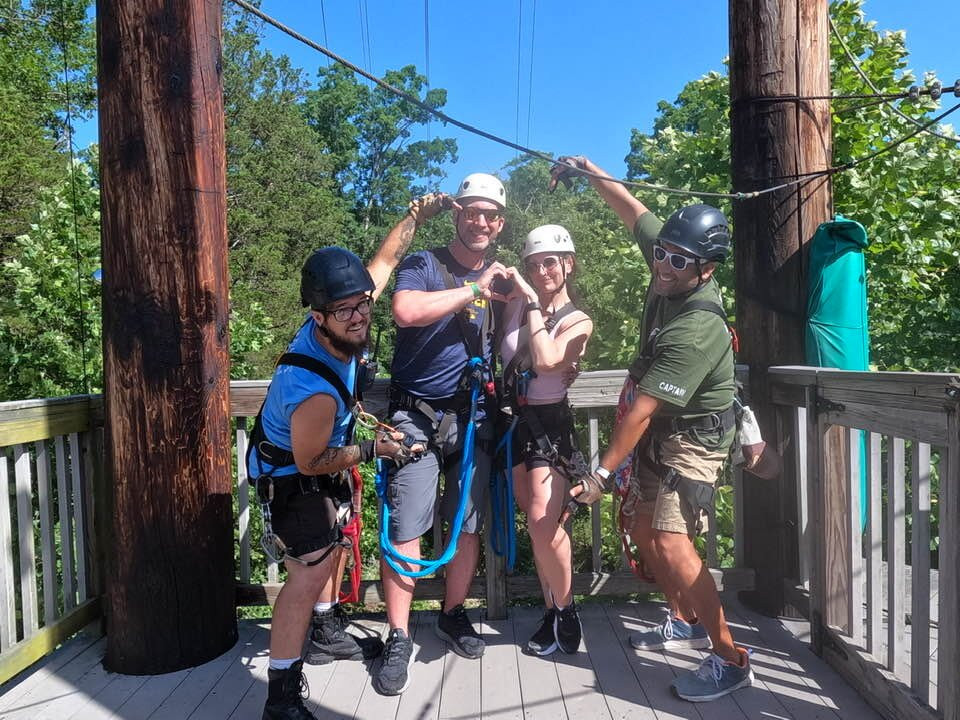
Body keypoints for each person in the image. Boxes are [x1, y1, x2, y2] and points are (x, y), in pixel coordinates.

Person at [552, 156, 753, 702]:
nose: (662, 265)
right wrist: (590, 171)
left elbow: (640, 411)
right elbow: (632, 210)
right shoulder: (670, 260)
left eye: (677, 261)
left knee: (670, 539)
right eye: (660, 253)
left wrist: (599, 474)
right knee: (642, 531)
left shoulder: (696, 328)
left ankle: (729, 657)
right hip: (662, 427)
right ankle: (685, 617)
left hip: (695, 437)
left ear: (705, 269)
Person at [249, 239, 425, 720]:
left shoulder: (338, 328)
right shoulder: (314, 388)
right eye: (343, 309)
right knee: (305, 577)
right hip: (291, 475)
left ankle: (325, 633)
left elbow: (382, 265)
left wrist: (413, 218)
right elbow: (310, 460)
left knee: (332, 548)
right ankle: (280, 700)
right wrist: (373, 448)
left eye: (362, 304)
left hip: (309, 464)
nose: (358, 315)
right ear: (319, 315)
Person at [374, 173, 511, 696]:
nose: (480, 222)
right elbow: (406, 311)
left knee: (467, 524)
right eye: (472, 211)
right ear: (457, 213)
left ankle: (453, 614)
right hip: (417, 417)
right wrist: (475, 288)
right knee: (406, 525)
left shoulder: (501, 279)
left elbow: (515, 340)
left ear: (499, 224)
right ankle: (399, 634)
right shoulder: (424, 264)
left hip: (472, 417)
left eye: (490, 215)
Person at [498, 224, 593, 656]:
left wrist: (533, 303)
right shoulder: (520, 304)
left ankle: (566, 607)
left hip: (549, 427)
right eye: (533, 265)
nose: (541, 271)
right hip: (515, 420)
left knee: (543, 523)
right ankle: (552, 609)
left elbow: (549, 359)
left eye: (549, 262)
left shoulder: (578, 321)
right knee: (539, 528)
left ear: (567, 264)